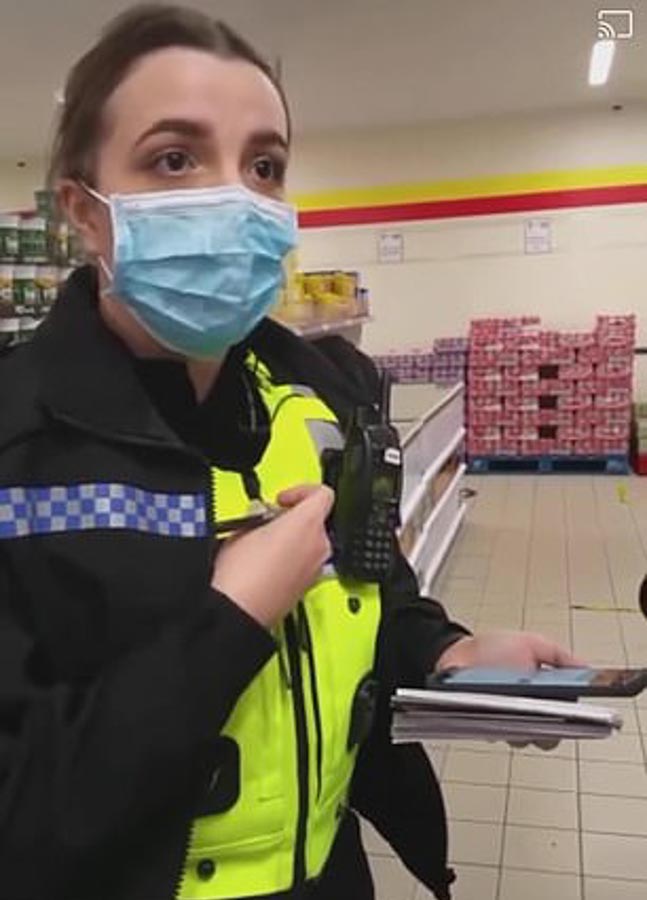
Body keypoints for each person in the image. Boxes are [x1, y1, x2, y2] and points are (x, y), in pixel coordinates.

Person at [0, 6, 578, 900]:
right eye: (174, 158)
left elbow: (373, 591)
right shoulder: (19, 444)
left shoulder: (329, 395)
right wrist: (232, 613)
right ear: (84, 212)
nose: (235, 198)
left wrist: (446, 653)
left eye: (264, 165)